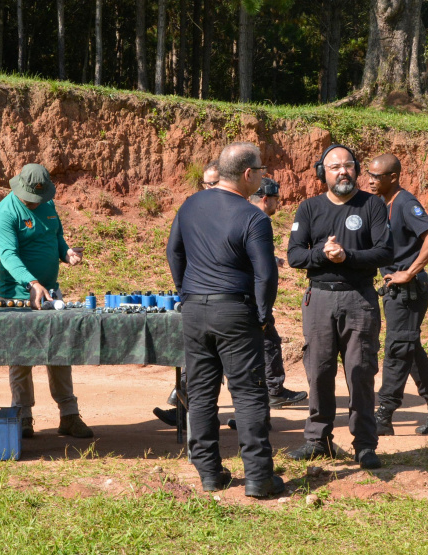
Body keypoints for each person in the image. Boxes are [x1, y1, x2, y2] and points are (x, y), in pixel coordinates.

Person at [167, 141, 284, 498]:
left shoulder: (190, 205)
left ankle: (208, 472)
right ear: (248, 174)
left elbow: (174, 251)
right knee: (248, 394)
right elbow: (266, 275)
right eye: (261, 171)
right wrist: (263, 316)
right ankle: (258, 478)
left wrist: (185, 291)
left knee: (201, 393)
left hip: (195, 310)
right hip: (234, 309)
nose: (262, 176)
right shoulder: (253, 216)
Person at [286, 144, 393, 470]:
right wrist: (322, 254)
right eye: (335, 167)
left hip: (359, 299)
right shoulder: (308, 208)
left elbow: (384, 252)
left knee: (360, 372)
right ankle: (317, 441)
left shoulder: (372, 205)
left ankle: (364, 445)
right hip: (318, 298)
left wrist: (347, 256)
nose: (342, 171)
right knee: (318, 371)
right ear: (323, 173)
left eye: (348, 165)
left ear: (356, 170)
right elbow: (294, 255)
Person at [0, 163, 93, 440]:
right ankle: (22, 416)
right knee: (21, 357)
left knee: (60, 354)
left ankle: (69, 415)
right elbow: (9, 256)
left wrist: (66, 253)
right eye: (31, 198)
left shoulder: (47, 205)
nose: (36, 203)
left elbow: (55, 235)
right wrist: (32, 283)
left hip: (51, 295)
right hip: (18, 297)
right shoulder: (4, 214)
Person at [367, 154, 428, 436]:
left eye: (377, 176)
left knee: (397, 348)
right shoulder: (382, 203)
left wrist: (409, 272)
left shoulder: (405, 203)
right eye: (368, 174)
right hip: (395, 292)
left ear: (393, 177)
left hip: (408, 292)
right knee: (410, 349)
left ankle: (384, 413)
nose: (370, 180)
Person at [226, 177, 310, 431]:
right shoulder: (258, 219)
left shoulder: (238, 215)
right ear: (265, 199)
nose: (278, 203)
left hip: (236, 298)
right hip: (248, 300)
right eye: (276, 199)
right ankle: (265, 403)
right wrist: (263, 310)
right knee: (256, 352)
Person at [152, 158, 222, 428]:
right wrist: (183, 290)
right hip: (200, 296)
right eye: (206, 183)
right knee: (202, 362)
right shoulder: (193, 209)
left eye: (214, 183)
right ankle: (188, 415)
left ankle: (199, 418)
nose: (209, 188)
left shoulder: (230, 209)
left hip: (226, 300)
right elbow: (174, 251)